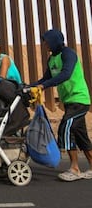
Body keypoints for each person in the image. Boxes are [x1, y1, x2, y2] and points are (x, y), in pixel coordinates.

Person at [31, 29, 92, 181]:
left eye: (46, 41)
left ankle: (75, 169)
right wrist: (26, 86)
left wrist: (43, 87)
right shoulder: (51, 59)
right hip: (69, 102)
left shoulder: (68, 54)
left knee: (66, 126)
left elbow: (66, 74)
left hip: (79, 99)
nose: (44, 44)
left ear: (53, 40)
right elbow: (45, 79)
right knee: (81, 135)